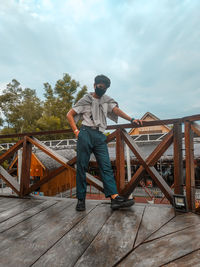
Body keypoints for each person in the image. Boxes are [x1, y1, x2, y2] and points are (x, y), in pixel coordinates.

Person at [67, 74, 142, 211]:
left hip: (100, 136)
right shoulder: (85, 99)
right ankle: (81, 200)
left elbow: (116, 110)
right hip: (85, 133)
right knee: (82, 167)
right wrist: (76, 132)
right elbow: (69, 114)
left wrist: (131, 119)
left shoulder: (106, 100)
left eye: (105, 88)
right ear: (95, 85)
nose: (102, 90)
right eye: (100, 87)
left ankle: (114, 198)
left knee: (106, 166)